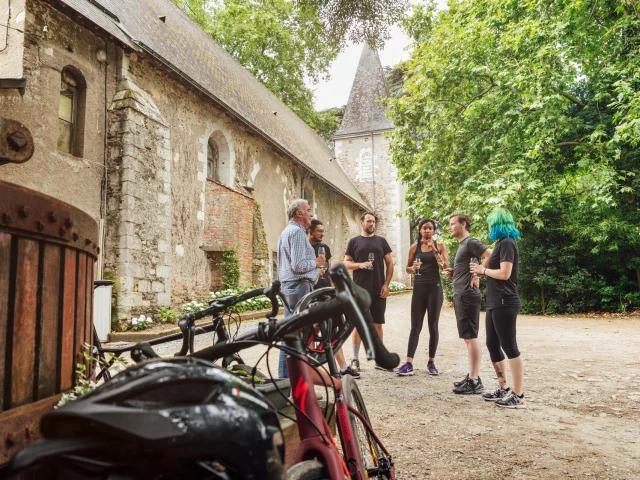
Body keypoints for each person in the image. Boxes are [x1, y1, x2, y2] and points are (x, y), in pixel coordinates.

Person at [470, 209, 526, 408]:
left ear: (498, 224)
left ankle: (518, 396)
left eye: (491, 224)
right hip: (495, 302)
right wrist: (481, 273)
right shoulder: (500, 244)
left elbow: (505, 274)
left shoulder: (508, 243)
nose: (490, 228)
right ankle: (504, 388)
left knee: (510, 346)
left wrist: (482, 270)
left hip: (506, 301)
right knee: (492, 344)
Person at [277, 199, 325, 378]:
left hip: (292, 286)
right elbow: (298, 265)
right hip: (298, 287)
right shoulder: (297, 233)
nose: (311, 214)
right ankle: (290, 382)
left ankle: (286, 381)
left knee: (290, 335)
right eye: (308, 210)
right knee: (295, 336)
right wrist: (317, 263)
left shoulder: (286, 232)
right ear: (299, 213)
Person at [444, 214, 492, 394]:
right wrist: (455, 272)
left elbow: (490, 255)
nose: (449, 227)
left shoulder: (471, 242)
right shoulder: (463, 245)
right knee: (468, 337)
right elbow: (470, 265)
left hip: (467, 295)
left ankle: (475, 380)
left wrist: (479, 274)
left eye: (452, 224)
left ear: (463, 224)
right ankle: (472, 375)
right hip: (462, 295)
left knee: (471, 337)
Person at [308, 219, 360, 378]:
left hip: (325, 292)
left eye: (323, 231)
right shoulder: (304, 246)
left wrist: (334, 289)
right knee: (310, 332)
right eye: (319, 231)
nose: (322, 234)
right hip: (310, 293)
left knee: (332, 330)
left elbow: (329, 270)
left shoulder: (324, 248)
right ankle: (310, 369)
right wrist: (315, 269)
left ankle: (342, 367)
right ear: (310, 230)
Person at [397, 219, 449, 376]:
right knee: (415, 327)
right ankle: (408, 363)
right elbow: (407, 269)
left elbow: (445, 267)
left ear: (433, 231)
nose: (427, 231)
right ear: (420, 231)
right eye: (425, 228)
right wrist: (413, 268)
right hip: (419, 288)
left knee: (433, 325)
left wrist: (434, 250)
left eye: (430, 228)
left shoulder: (440, 246)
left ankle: (431, 362)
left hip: (435, 289)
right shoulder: (415, 247)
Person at [344, 212, 394, 372]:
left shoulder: (381, 241)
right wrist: (360, 265)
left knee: (377, 324)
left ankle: (379, 360)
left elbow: (390, 264)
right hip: (359, 290)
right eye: (369, 221)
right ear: (361, 222)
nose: (372, 224)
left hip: (378, 290)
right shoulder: (354, 242)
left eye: (374, 222)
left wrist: (386, 284)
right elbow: (345, 263)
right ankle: (355, 359)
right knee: (358, 325)